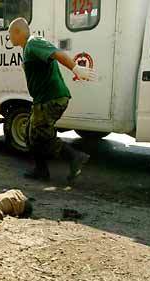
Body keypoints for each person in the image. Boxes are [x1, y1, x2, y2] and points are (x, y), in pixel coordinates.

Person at [9, 18, 95, 182]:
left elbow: (57, 53)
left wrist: (76, 69)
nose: (10, 38)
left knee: (42, 136)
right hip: (42, 100)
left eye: (10, 34)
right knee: (30, 135)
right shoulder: (28, 48)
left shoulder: (34, 43)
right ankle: (41, 171)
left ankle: (75, 157)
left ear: (18, 32)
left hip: (52, 99)